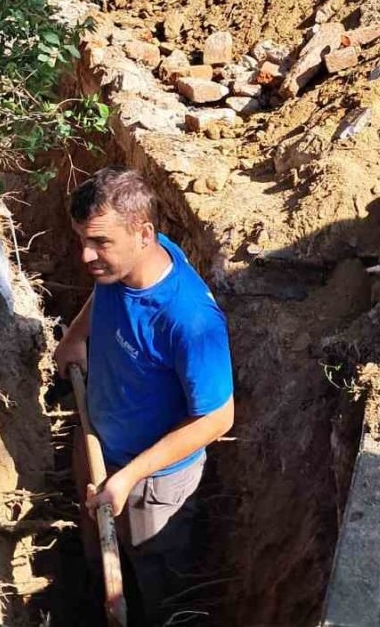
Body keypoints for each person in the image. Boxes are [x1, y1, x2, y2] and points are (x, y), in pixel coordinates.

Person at [54, 168, 234, 626]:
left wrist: (130, 475)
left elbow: (218, 419)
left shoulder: (189, 320)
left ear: (144, 234)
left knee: (158, 584)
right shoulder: (124, 265)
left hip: (154, 485)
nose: (86, 256)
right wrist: (77, 335)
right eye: (81, 241)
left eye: (99, 242)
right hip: (99, 445)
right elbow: (104, 292)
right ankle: (94, 599)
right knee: (99, 552)